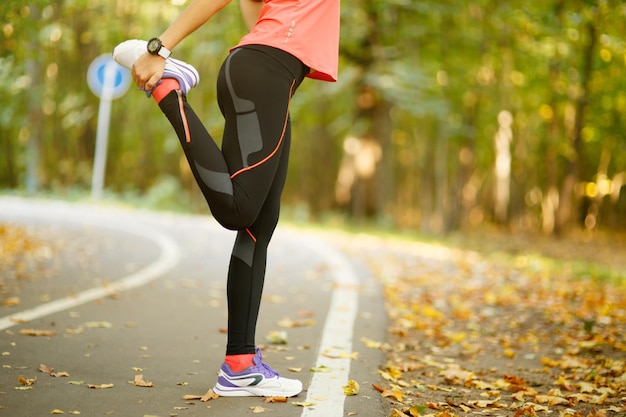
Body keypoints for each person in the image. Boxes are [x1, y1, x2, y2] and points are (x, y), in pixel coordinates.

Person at [112, 0, 340, 398]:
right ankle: (167, 88)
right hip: (264, 72)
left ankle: (240, 365)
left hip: (271, 76)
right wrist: (158, 49)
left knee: (259, 224)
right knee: (238, 210)